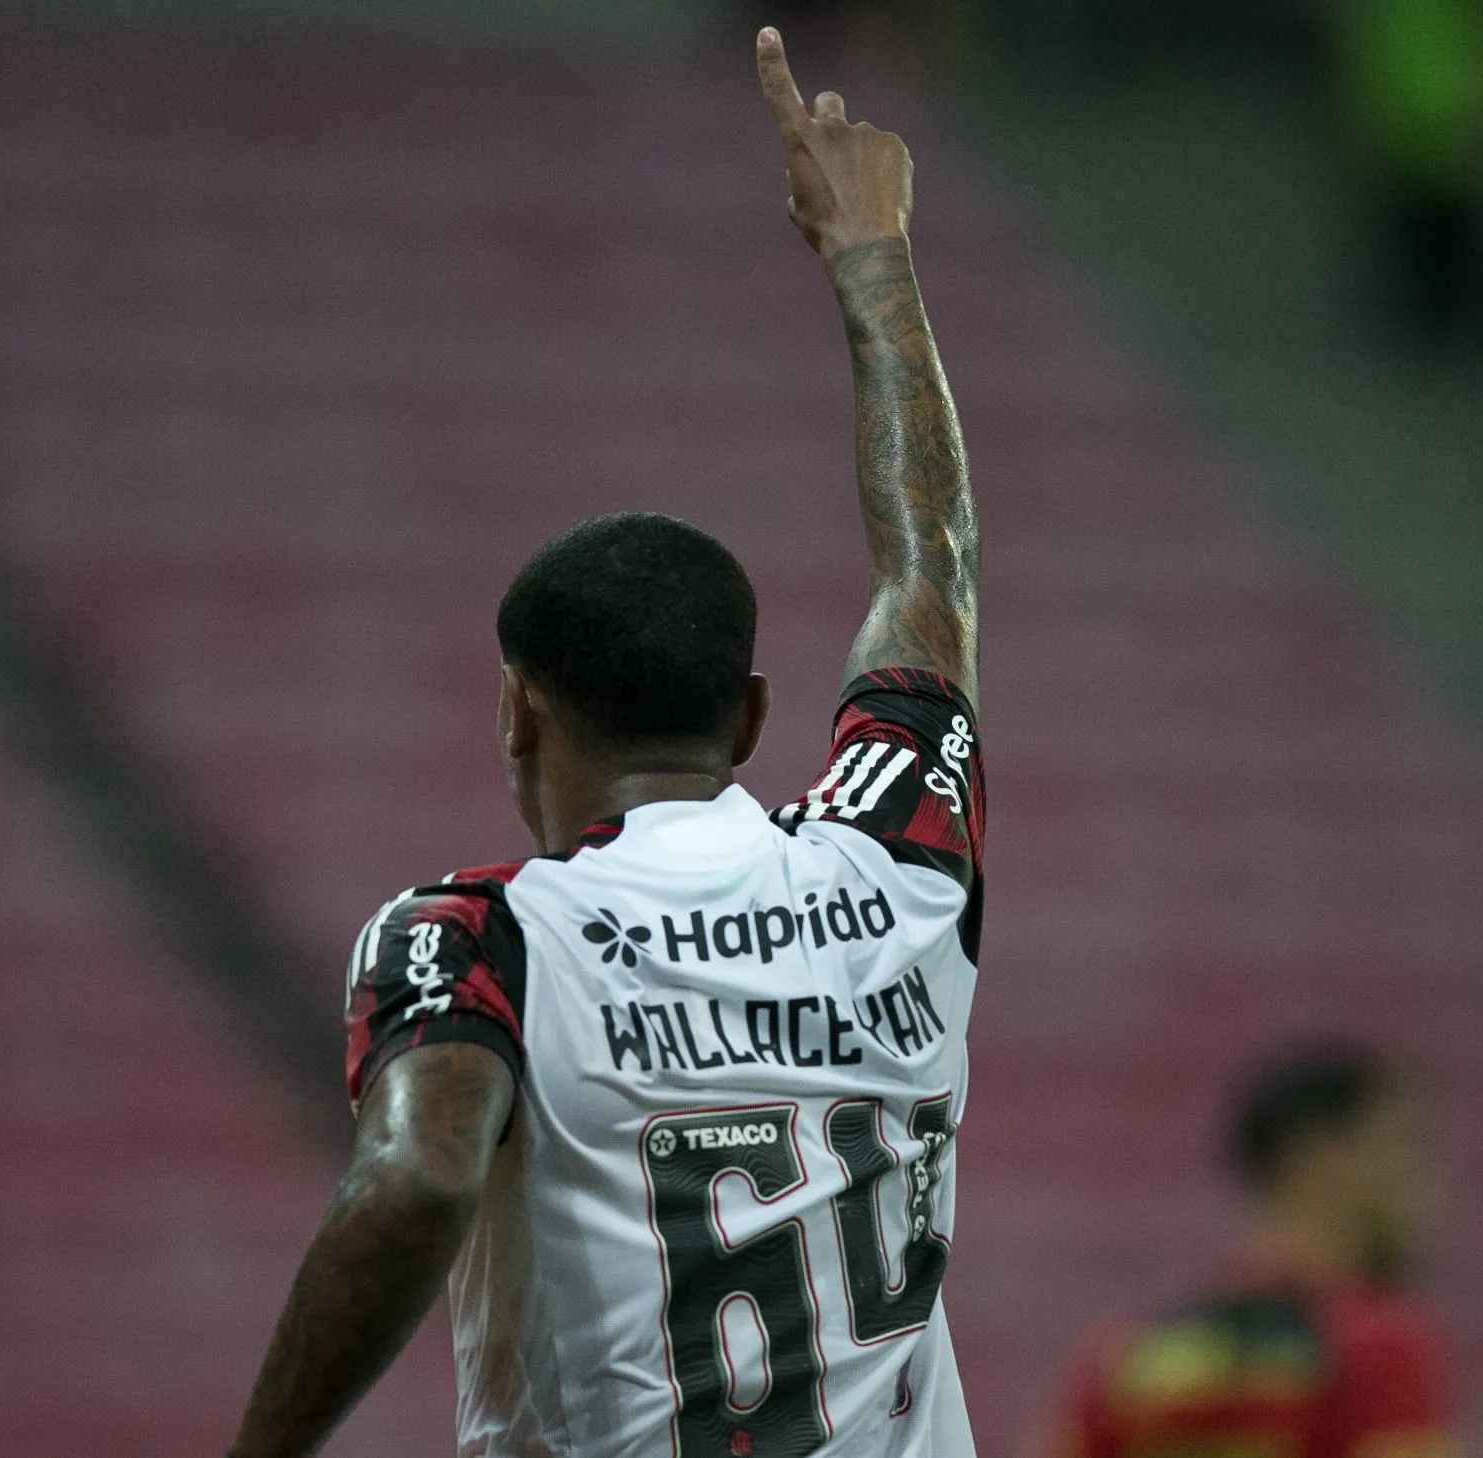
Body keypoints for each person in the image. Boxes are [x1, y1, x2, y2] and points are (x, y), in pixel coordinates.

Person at [228, 28, 985, 1458]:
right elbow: (928, 564)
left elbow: (417, 1179)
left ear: (516, 710)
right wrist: (871, 252)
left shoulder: (479, 938)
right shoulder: (899, 871)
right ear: (750, 717)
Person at [1033, 1047, 1462, 1458]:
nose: (1428, 1188)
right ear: (1325, 1161)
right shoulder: (1381, 1350)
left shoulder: (1125, 1358)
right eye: (1403, 1149)